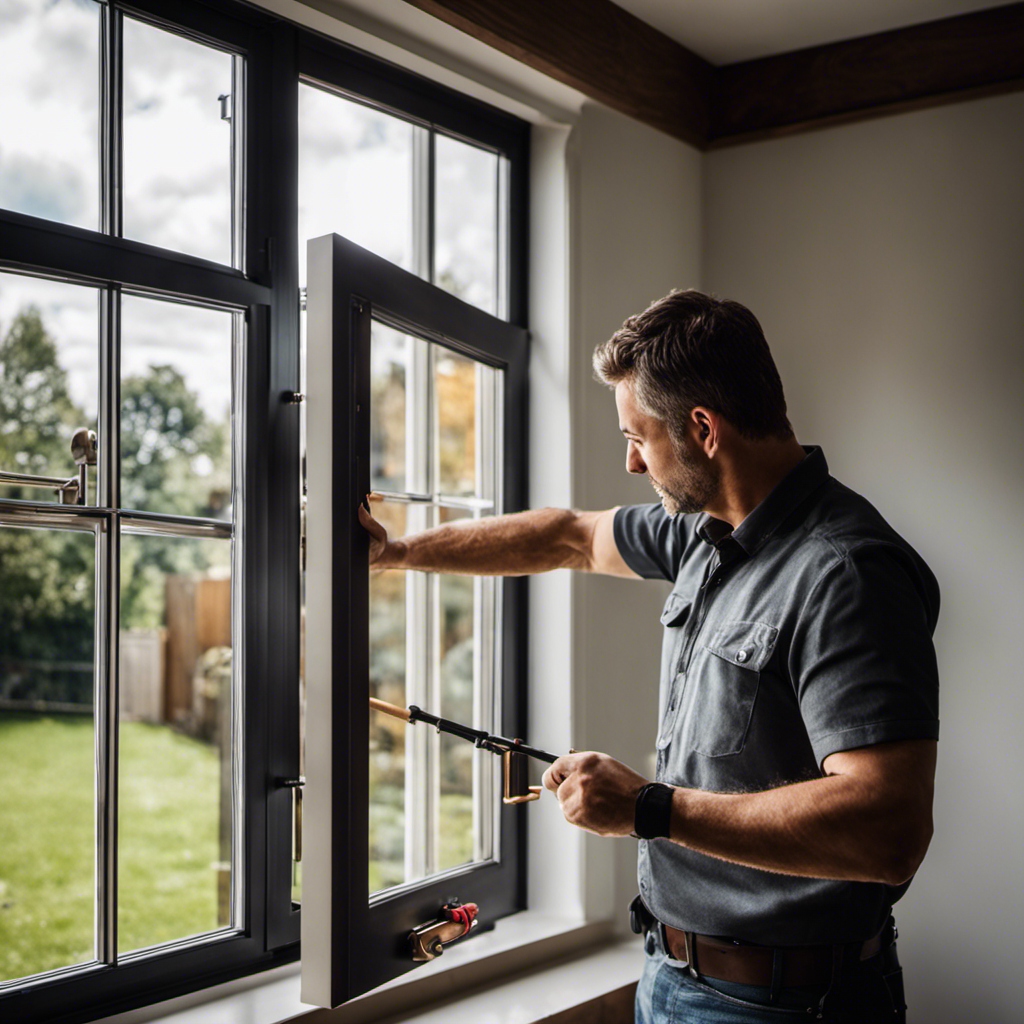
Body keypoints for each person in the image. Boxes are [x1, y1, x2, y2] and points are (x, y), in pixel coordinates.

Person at [358, 290, 939, 1023]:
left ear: (703, 429)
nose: (631, 463)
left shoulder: (846, 574)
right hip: (671, 975)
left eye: (638, 436)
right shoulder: (706, 535)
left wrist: (648, 809)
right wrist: (398, 552)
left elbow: (888, 831)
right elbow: (567, 535)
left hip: (786, 1004)